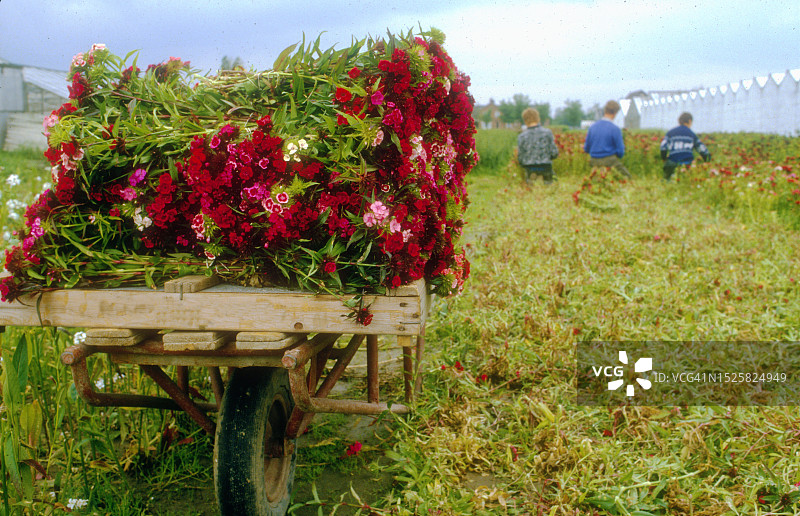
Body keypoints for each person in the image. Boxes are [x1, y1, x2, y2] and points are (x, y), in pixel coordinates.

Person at [583, 100, 631, 178]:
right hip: (610, 161)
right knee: (627, 178)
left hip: (594, 161)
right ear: (615, 113)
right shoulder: (615, 129)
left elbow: (586, 149)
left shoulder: (592, 127)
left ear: (605, 110)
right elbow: (620, 151)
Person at [660, 112, 711, 181]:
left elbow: (663, 147)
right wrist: (707, 160)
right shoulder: (691, 134)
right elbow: (702, 149)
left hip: (672, 163)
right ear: (689, 121)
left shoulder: (671, 132)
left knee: (667, 180)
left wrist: (664, 158)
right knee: (686, 181)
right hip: (687, 164)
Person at [516, 107, 559, 185]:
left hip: (530, 167)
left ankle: (532, 181)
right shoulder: (547, 133)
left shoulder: (521, 136)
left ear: (525, 120)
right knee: (548, 187)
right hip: (545, 165)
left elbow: (520, 158)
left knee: (531, 189)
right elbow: (554, 153)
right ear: (538, 118)